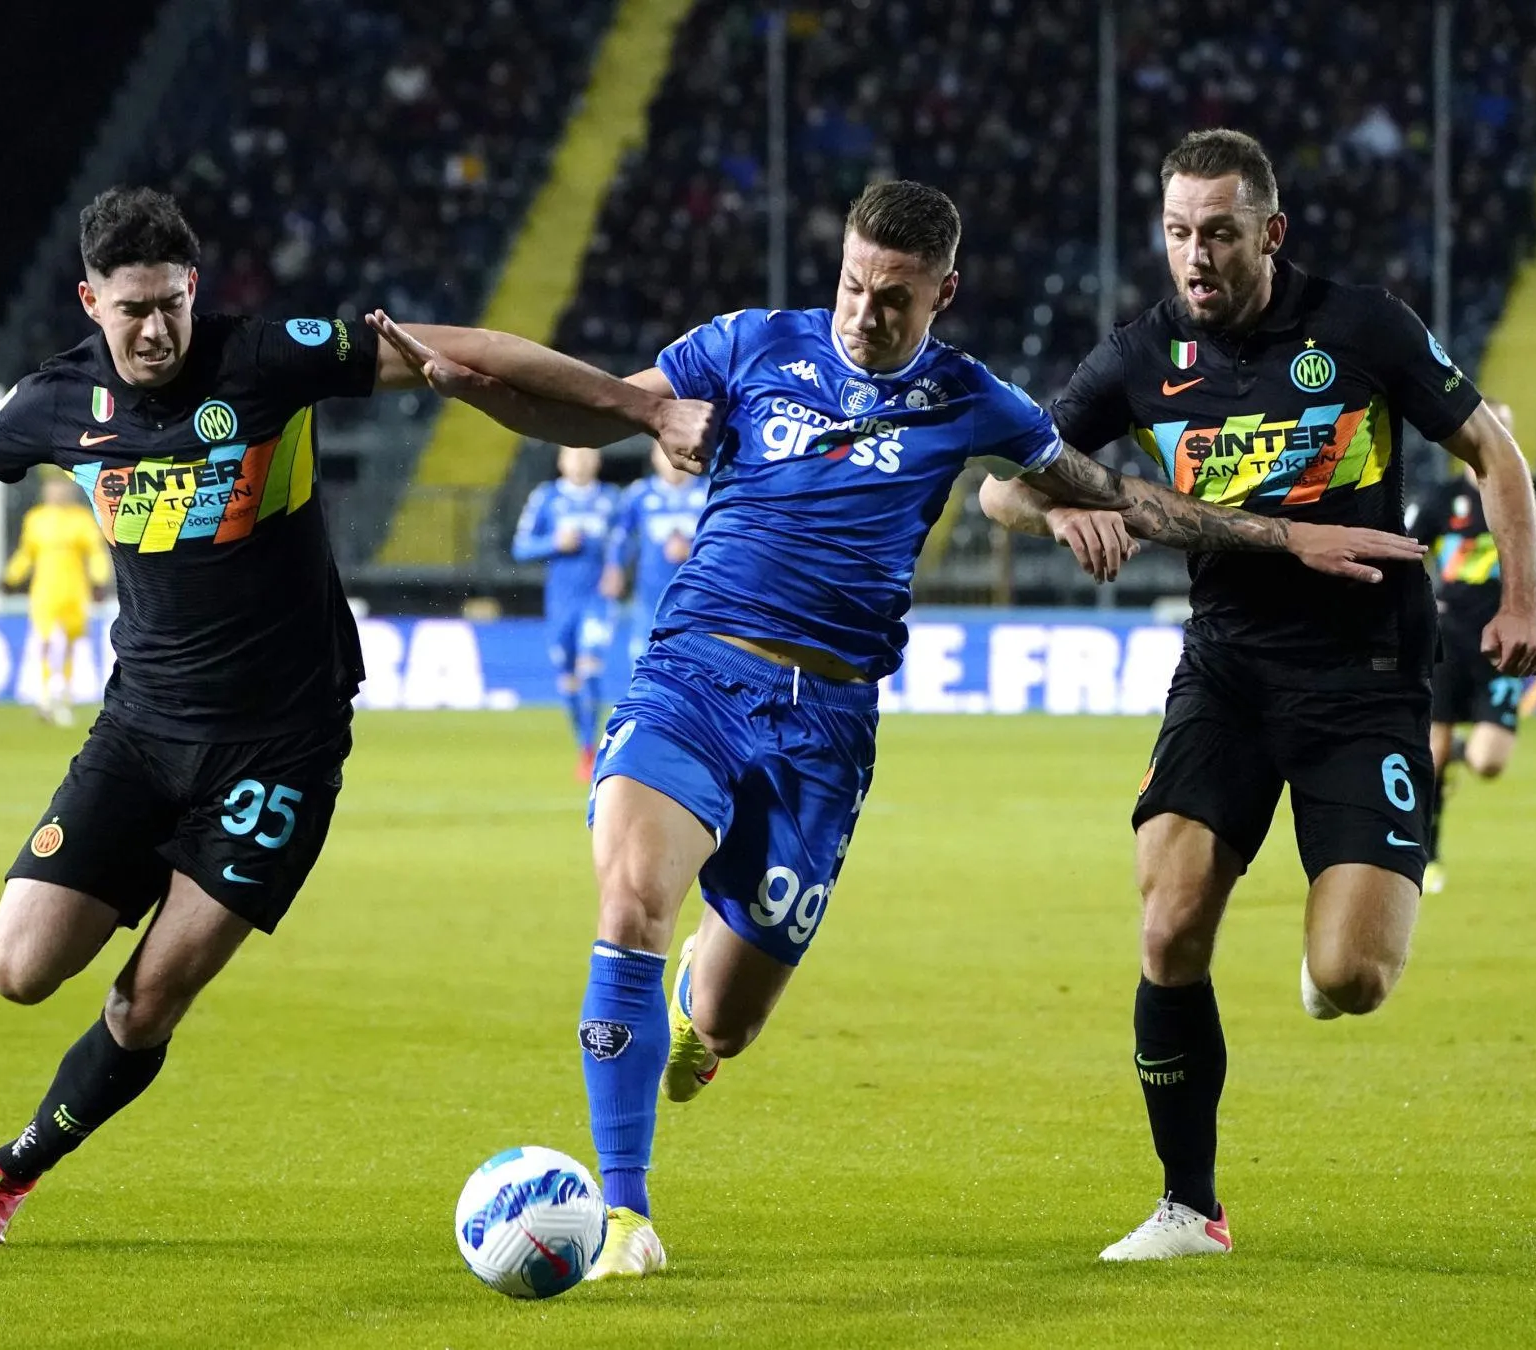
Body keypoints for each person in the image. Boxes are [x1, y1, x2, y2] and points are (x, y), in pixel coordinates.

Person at [372, 178, 1429, 1280]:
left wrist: (1277, 537)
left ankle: (694, 1005)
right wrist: (494, 387)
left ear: (942, 295)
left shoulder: (971, 400)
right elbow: (594, 400)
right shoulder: (745, 347)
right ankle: (625, 1214)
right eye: (851, 285)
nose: (862, 313)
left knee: (726, 1022)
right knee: (632, 898)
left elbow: (1116, 492)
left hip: (824, 729)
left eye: (892, 299)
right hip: (693, 674)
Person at [0, 185, 718, 1252]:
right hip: (141, 735)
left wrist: (644, 409)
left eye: (171, 303)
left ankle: (5, 1180)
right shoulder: (58, 404)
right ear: (88, 301)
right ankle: (138, 876)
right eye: (131, 308)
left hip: (280, 751)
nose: (155, 328)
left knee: (146, 1004)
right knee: (17, 970)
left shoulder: (267, 360)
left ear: (193, 289)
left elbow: (471, 350)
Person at [979, 129, 1536, 1261]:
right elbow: (1004, 484)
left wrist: (1524, 604)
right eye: (1177, 233)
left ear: (1268, 233)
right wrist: (1053, 510)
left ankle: (1329, 956)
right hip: (1226, 667)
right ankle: (1187, 1207)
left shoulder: (1362, 328)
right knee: (1167, 920)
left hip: (1364, 678)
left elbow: (1494, 454)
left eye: (1218, 234)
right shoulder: (1137, 357)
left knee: (1353, 978)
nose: (1193, 257)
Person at [1405, 398, 1536, 894]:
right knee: (1429, 752)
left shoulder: (1531, 493)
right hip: (1449, 640)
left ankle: (1456, 754)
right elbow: (1411, 552)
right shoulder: (1442, 498)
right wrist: (1423, 609)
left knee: (1490, 762)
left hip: (1503, 642)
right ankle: (1428, 853)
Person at [512, 445, 619, 778]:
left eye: (588, 455)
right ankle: (583, 745)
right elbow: (520, 547)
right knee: (568, 680)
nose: (582, 461)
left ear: (598, 461)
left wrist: (616, 569)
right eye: (574, 455)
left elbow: (625, 541)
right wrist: (554, 543)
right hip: (561, 603)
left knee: (590, 671)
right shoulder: (546, 498)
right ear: (561, 461)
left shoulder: (612, 499)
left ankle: (592, 750)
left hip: (597, 602)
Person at [3, 471, 112, 727]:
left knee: (68, 647)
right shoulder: (36, 518)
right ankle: (46, 696)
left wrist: (99, 579)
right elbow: (26, 553)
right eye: (53, 488)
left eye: (62, 487)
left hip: (75, 591)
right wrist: (11, 576)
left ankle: (62, 697)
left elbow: (96, 552)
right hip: (44, 592)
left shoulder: (82, 519)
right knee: (49, 642)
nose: (58, 492)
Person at [601, 442, 708, 661]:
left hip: (699, 599)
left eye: (680, 449)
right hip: (650, 599)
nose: (671, 460)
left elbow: (726, 540)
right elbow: (621, 536)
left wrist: (691, 550)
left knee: (694, 669)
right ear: (653, 457)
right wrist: (614, 567)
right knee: (643, 663)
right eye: (664, 451)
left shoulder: (709, 492)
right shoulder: (639, 494)